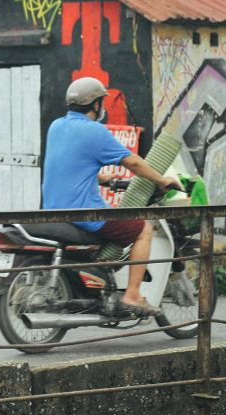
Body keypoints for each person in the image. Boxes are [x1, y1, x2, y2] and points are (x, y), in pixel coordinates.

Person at [41, 77, 183, 316]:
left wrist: (102, 179)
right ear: (96, 104)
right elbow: (134, 163)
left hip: (54, 208)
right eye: (101, 101)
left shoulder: (56, 126)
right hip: (85, 214)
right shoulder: (95, 131)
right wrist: (162, 180)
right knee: (142, 229)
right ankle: (133, 295)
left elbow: (69, 167)